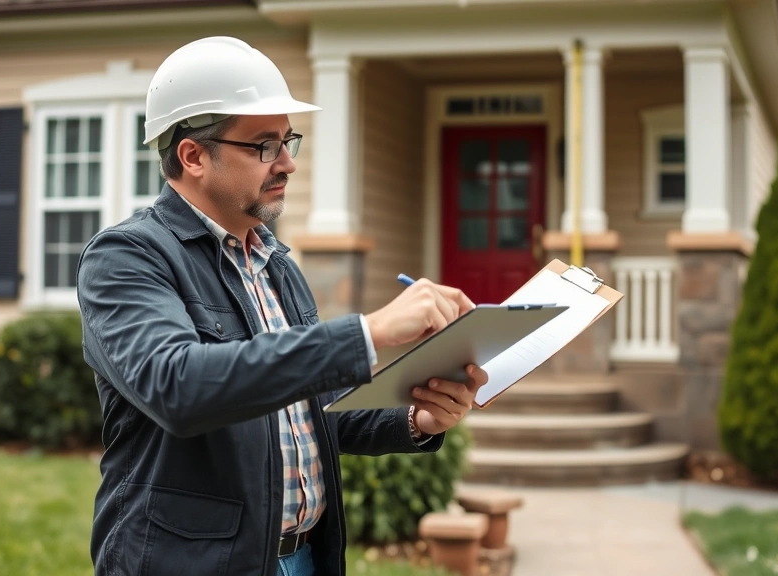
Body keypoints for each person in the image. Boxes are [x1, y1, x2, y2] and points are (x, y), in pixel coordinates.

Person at [75, 36, 487, 576]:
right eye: (264, 146)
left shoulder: (273, 262)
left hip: (305, 558)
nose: (288, 163)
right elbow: (177, 386)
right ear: (193, 155)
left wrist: (414, 418)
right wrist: (367, 332)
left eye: (289, 140)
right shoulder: (127, 257)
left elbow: (309, 410)